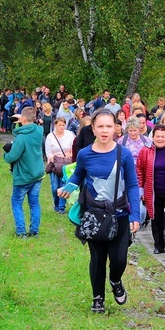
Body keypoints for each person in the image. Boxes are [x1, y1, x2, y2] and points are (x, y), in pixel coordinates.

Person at [57, 109, 141, 313]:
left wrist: (135, 216)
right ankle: (98, 298)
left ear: (116, 129)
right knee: (98, 259)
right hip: (94, 214)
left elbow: (132, 185)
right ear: (93, 128)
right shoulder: (85, 154)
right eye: (100, 126)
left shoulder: (124, 154)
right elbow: (77, 176)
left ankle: (115, 281)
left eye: (109, 126)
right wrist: (67, 187)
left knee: (119, 259)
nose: (105, 131)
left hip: (120, 214)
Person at [136, 124, 165, 254]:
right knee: (155, 219)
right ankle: (158, 245)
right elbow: (139, 170)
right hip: (152, 191)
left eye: (163, 136)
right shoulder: (145, 151)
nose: (160, 139)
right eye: (158, 136)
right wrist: (141, 190)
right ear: (153, 137)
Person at [3, 107, 45, 238]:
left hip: (24, 175)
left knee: (16, 202)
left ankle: (21, 232)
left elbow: (12, 157)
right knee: (34, 203)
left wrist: (6, 154)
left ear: (24, 119)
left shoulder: (21, 138)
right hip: (37, 173)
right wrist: (21, 120)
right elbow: (33, 125)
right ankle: (34, 231)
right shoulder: (39, 130)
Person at [45, 117, 75, 214]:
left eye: (63, 125)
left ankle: (62, 207)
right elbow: (49, 152)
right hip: (54, 164)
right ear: (55, 126)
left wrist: (70, 154)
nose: (61, 127)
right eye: (59, 125)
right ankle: (56, 203)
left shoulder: (69, 135)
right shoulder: (50, 137)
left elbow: (73, 147)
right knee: (55, 186)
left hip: (66, 164)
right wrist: (54, 157)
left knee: (64, 185)